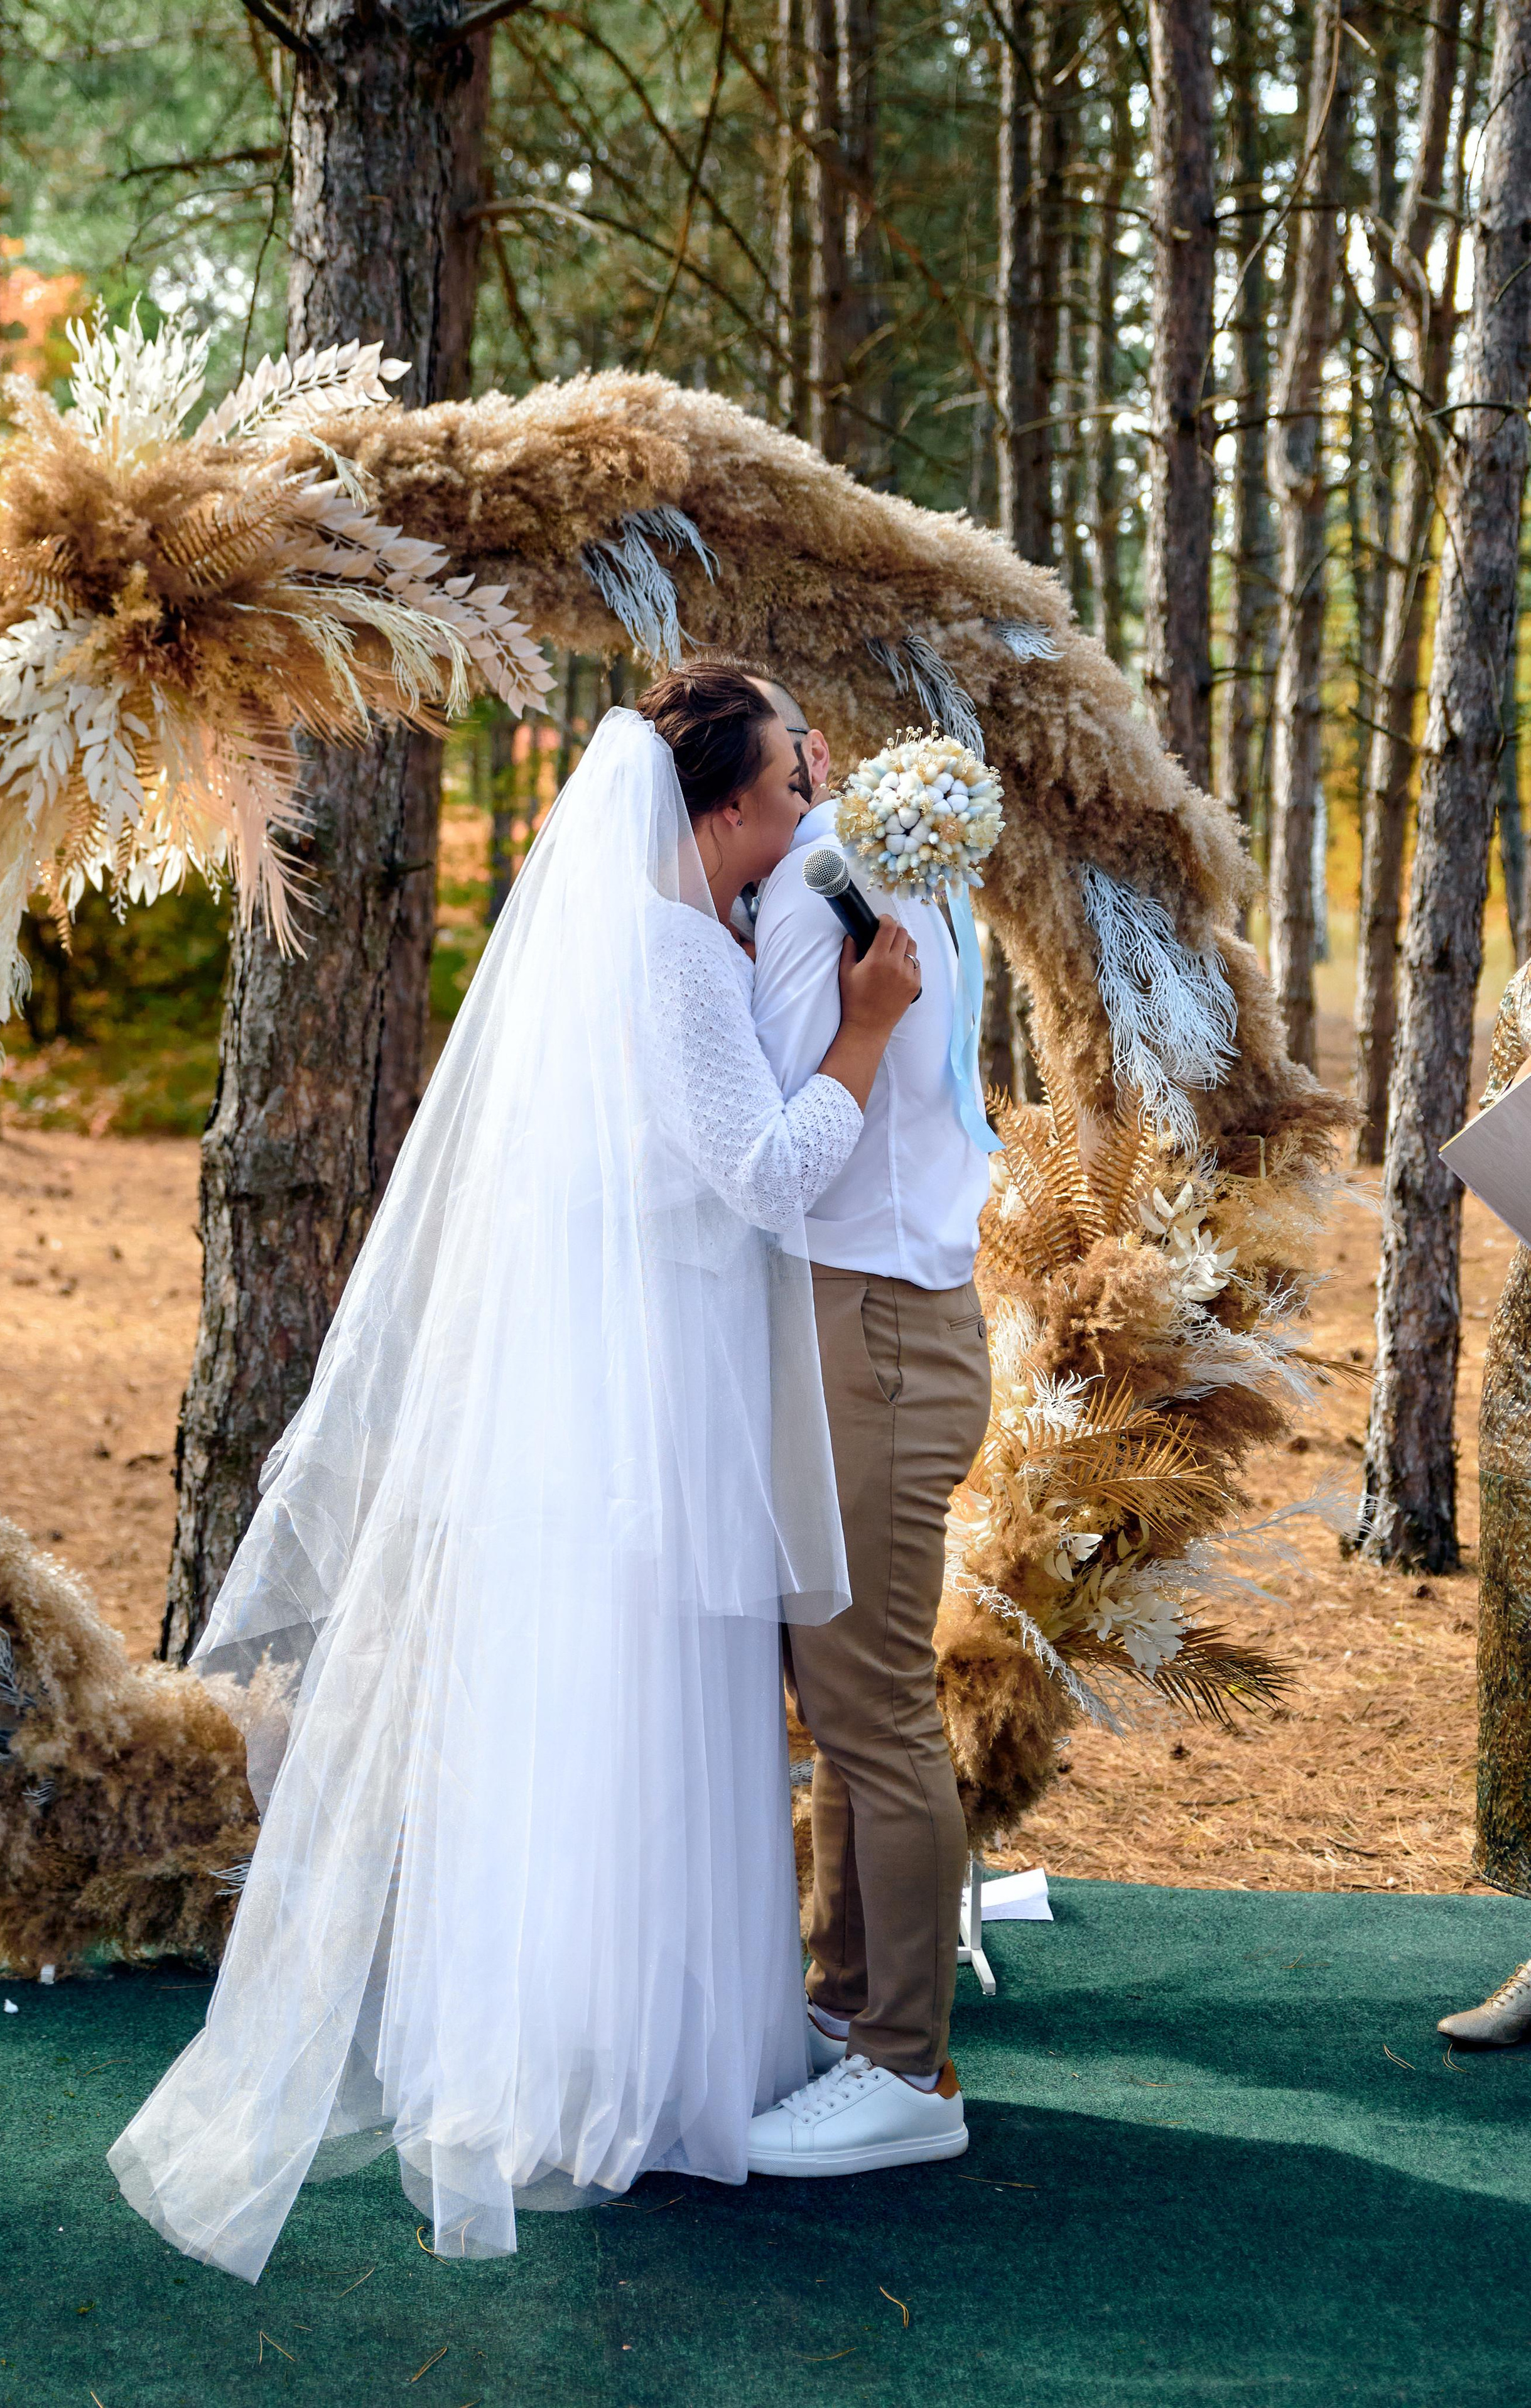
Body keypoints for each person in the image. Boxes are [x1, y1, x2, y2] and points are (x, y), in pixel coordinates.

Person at [107, 671, 921, 2275]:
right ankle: (621, 2068)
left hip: (609, 1379)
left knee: (598, 1712)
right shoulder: (675, 951)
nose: (798, 805)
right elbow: (763, 1175)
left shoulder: (643, 941)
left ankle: (639, 2041)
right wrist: (865, 1036)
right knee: (640, 1712)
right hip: (651, 1403)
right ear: (717, 812)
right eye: (779, 783)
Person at [740, 671, 999, 2177]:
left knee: (874, 1709)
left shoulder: (821, 881)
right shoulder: (861, 865)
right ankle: (846, 2007)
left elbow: (777, 1137)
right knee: (845, 1704)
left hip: (875, 1332)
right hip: (882, 1321)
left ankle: (908, 2070)